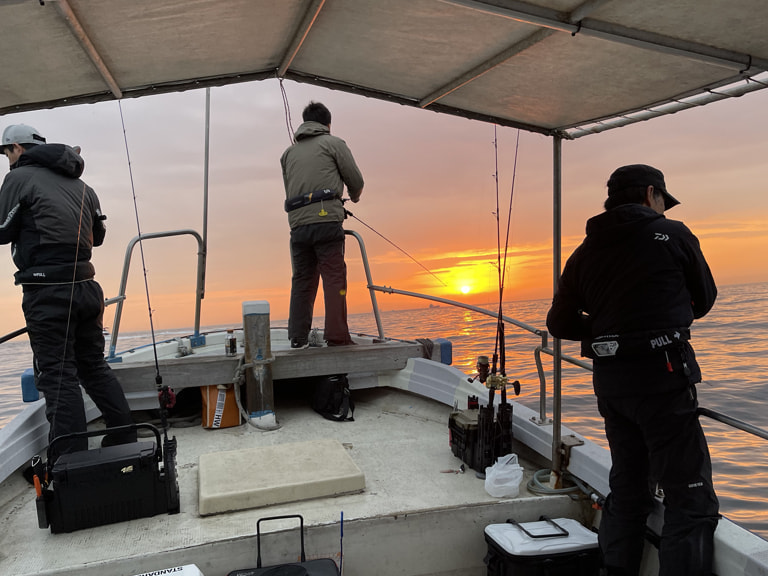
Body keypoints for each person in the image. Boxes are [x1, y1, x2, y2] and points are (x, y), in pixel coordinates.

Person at [546, 164, 720, 576]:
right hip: (664, 382)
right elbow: (705, 299)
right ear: (650, 194)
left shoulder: (584, 253)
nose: (663, 209)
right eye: (662, 201)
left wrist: (609, 329)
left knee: (628, 488)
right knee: (689, 499)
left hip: (612, 386)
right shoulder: (672, 234)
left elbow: (559, 323)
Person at [0, 124, 136, 464]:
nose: (6, 159)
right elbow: (98, 237)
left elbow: (1, 231)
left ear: (18, 148)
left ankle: (70, 464)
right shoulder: (83, 186)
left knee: (58, 378)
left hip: (47, 293)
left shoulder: (18, 178)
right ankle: (125, 440)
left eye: (6, 152)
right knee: (94, 367)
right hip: (88, 289)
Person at [280, 101, 364, 348]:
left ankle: (297, 338)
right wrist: (354, 197)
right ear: (328, 124)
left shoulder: (287, 154)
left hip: (298, 226)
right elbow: (356, 181)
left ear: (305, 123)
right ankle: (337, 337)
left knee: (302, 280)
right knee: (334, 278)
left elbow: (290, 188)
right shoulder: (334, 143)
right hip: (327, 222)